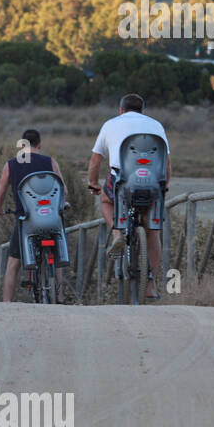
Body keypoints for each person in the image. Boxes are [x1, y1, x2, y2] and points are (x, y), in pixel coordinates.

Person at [87, 93, 171, 300]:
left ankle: (117, 232)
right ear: (143, 111)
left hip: (122, 183)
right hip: (152, 183)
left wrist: (94, 183)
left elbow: (96, 161)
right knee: (153, 232)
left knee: (105, 201)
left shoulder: (110, 124)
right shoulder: (156, 126)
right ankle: (150, 285)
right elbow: (167, 162)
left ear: (121, 110)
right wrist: (164, 187)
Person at [0, 129, 68, 303]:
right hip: (51, 218)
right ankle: (61, 297)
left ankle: (6, 303)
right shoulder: (51, 162)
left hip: (26, 221)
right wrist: (63, 204)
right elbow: (64, 190)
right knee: (56, 256)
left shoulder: (11, 164)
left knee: (13, 263)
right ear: (40, 145)